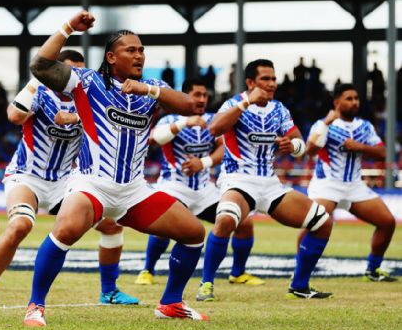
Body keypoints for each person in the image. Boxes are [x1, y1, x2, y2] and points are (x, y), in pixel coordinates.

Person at [22, 10, 210, 327]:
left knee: (194, 233)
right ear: (111, 57)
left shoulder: (152, 86)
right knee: (65, 231)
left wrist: (148, 90)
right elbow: (40, 66)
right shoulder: (88, 82)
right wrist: (69, 27)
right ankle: (35, 306)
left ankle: (171, 303)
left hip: (134, 191)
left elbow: (190, 106)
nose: (139, 55)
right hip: (92, 184)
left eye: (141, 50)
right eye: (130, 50)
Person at [0, 50, 138, 310]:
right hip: (27, 177)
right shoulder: (40, 93)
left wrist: (75, 117)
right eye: (70, 71)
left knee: (111, 227)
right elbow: (15, 117)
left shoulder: (89, 100)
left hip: (66, 182)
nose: (76, 79)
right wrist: (37, 79)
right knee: (19, 227)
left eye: (80, 73)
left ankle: (109, 291)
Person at [206, 59, 333, 300]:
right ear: (251, 82)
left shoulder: (279, 109)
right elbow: (214, 129)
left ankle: (299, 285)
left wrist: (292, 145)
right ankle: (206, 284)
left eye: (274, 79)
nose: (272, 84)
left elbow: (300, 145)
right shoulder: (234, 103)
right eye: (265, 79)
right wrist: (246, 102)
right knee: (224, 221)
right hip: (238, 180)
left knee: (323, 222)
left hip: (271, 184)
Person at [135, 78, 264, 296]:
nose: (202, 99)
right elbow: (154, 139)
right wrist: (184, 123)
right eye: (196, 94)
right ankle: (147, 269)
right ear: (185, 97)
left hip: (205, 190)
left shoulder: (214, 121)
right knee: (161, 226)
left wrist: (203, 163)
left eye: (205, 95)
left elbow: (224, 149)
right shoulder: (171, 119)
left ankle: (238, 272)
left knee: (244, 223)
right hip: (174, 186)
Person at [305, 83, 397, 282]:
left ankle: (372, 270)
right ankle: (300, 275)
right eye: (349, 98)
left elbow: (383, 153)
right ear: (337, 102)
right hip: (327, 184)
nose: (355, 102)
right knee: (313, 223)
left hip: (354, 186)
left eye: (356, 98)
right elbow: (310, 150)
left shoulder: (364, 126)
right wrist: (326, 123)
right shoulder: (324, 124)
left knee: (387, 222)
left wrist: (359, 147)